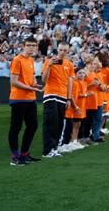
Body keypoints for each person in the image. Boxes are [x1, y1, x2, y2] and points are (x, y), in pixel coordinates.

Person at [8, 38, 43, 166]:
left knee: (33, 125)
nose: (31, 48)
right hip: (18, 98)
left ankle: (24, 154)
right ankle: (15, 156)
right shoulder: (17, 60)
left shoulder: (30, 60)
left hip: (30, 98)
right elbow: (14, 81)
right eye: (29, 45)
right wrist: (31, 88)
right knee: (15, 127)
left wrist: (36, 86)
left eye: (34, 45)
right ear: (23, 46)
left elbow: (32, 80)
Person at [41, 42, 75, 158]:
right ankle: (47, 150)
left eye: (65, 50)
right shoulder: (49, 61)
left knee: (59, 124)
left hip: (63, 97)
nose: (62, 52)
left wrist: (69, 98)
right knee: (51, 123)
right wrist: (49, 65)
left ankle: (54, 148)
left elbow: (70, 82)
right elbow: (44, 80)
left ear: (68, 51)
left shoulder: (69, 64)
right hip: (50, 95)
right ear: (57, 49)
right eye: (61, 50)